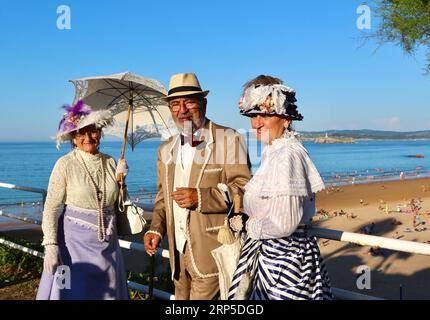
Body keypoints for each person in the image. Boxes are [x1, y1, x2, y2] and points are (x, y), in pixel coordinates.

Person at [143, 73, 251, 300]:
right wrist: (156, 228)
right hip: (177, 257)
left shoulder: (228, 138)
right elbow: (163, 197)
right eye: (175, 104)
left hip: (212, 251)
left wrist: (201, 197)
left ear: (203, 103)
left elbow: (244, 187)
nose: (182, 109)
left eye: (189, 102)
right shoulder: (165, 149)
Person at [228, 75, 333, 300]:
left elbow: (284, 223)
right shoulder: (275, 151)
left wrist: (248, 224)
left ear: (285, 119)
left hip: (283, 268)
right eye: (252, 115)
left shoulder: (287, 155)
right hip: (275, 261)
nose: (256, 123)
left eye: (265, 114)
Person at [36, 100, 129, 300]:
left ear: (100, 132)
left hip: (108, 244)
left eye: (93, 131)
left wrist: (122, 182)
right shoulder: (65, 164)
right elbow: (51, 207)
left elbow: (116, 202)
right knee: (70, 290)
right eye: (80, 133)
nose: (88, 137)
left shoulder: (111, 161)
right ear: (73, 137)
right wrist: (50, 245)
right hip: (72, 246)